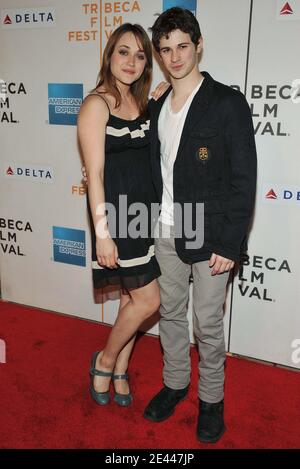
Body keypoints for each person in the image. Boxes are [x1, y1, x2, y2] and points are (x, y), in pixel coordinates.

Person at [143, 7, 257, 443]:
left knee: (206, 324)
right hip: (167, 227)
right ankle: (175, 383)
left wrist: (230, 243)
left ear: (199, 45)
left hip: (210, 234)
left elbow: (243, 179)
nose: (175, 57)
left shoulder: (226, 103)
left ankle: (212, 400)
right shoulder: (157, 105)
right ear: (159, 53)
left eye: (182, 47)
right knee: (170, 313)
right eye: (166, 49)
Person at [77, 23, 164, 407]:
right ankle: (105, 360)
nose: (131, 61)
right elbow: (94, 174)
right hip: (117, 215)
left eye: (140, 55)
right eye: (123, 52)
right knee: (148, 300)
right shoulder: (96, 104)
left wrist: (162, 95)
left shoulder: (143, 103)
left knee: (132, 298)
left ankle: (122, 366)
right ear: (110, 55)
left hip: (145, 213)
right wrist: (102, 233)